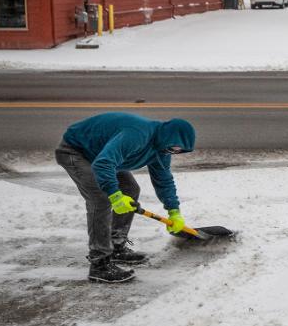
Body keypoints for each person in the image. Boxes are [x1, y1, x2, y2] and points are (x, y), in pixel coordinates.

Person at [55, 112, 196, 283]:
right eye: (174, 147)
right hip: (76, 151)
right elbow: (103, 163)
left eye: (178, 151)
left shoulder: (162, 150)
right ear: (168, 136)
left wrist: (174, 211)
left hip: (101, 154)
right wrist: (115, 196)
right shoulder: (137, 135)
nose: (174, 152)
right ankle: (99, 264)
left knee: (130, 189)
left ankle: (116, 245)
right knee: (100, 199)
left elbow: (164, 180)